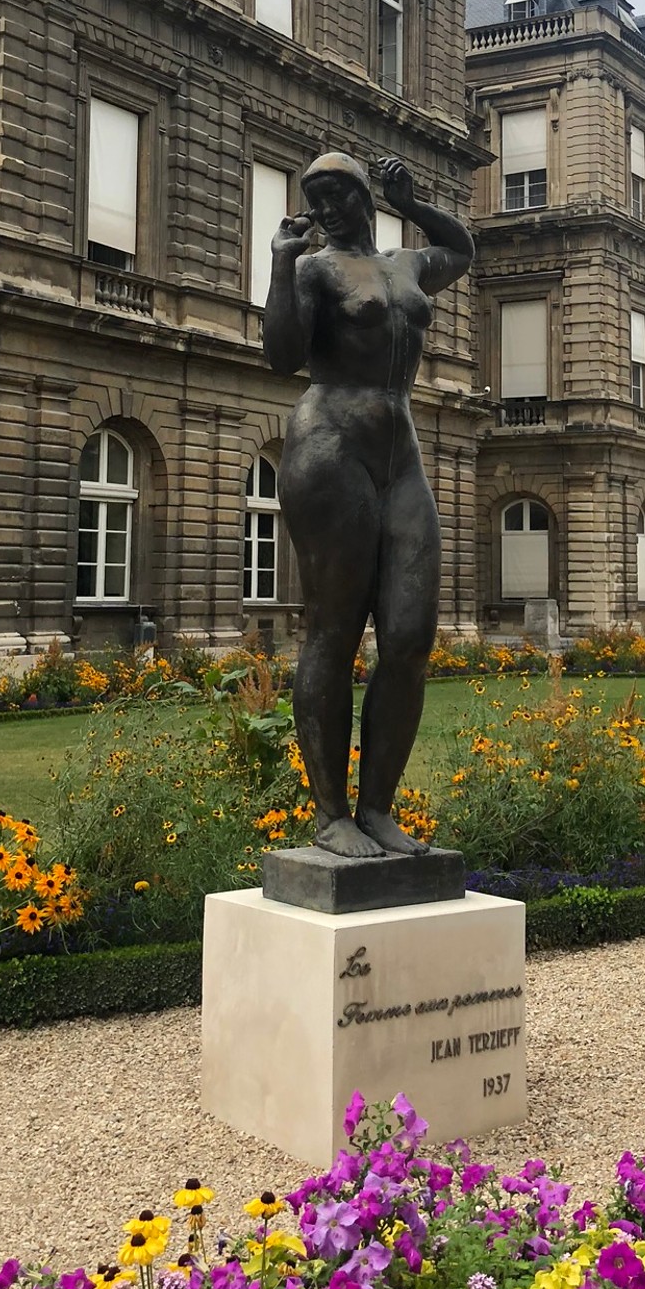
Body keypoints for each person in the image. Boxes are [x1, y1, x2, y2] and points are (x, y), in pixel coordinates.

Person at [264, 151, 473, 858]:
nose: (324, 208)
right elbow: (281, 353)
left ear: (362, 195)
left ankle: (377, 806)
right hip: (330, 445)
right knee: (334, 628)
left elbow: (462, 250)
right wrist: (279, 264)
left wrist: (414, 202)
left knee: (410, 635)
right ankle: (332, 814)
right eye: (312, 196)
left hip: (399, 451)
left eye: (334, 194)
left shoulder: (406, 265)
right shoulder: (314, 270)